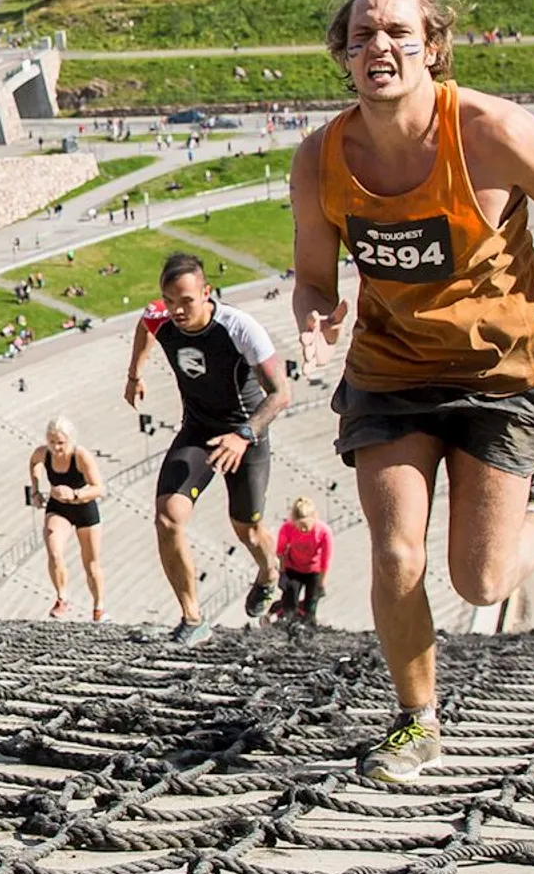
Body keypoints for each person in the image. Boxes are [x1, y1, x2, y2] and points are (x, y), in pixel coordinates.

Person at [289, 0, 534, 782]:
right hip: (391, 371)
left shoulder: (487, 131)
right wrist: (315, 314)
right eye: (364, 34)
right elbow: (313, 278)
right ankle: (417, 721)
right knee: (397, 554)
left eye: (400, 33)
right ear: (342, 54)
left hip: (499, 372)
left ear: (432, 47)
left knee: (479, 582)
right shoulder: (321, 159)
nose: (381, 47)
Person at [124, 254, 291, 645]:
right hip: (198, 430)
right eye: (170, 300)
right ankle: (193, 617)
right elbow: (145, 325)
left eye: (186, 301)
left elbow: (281, 394)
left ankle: (269, 573)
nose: (177, 311)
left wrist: (244, 435)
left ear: (207, 293)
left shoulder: (239, 327)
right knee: (167, 517)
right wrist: (135, 373)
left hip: (245, 434)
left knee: (246, 529)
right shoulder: (159, 315)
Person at [26, 415, 107, 621]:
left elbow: (99, 488)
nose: (56, 448)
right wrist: (35, 490)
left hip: (83, 507)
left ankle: (98, 608)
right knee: (53, 549)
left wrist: (75, 494)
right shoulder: (44, 453)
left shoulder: (80, 456)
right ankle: (62, 598)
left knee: (91, 563)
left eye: (60, 443)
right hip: (58, 507)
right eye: (52, 442)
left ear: (70, 440)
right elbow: (34, 462)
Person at [273, 496, 332, 624]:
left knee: (311, 606)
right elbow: (281, 551)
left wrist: (321, 583)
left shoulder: (324, 532)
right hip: (293, 569)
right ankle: (284, 622)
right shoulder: (287, 528)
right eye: (300, 526)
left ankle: (309, 628)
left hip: (313, 571)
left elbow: (325, 560)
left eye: (306, 525)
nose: (303, 529)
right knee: (290, 601)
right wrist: (283, 573)